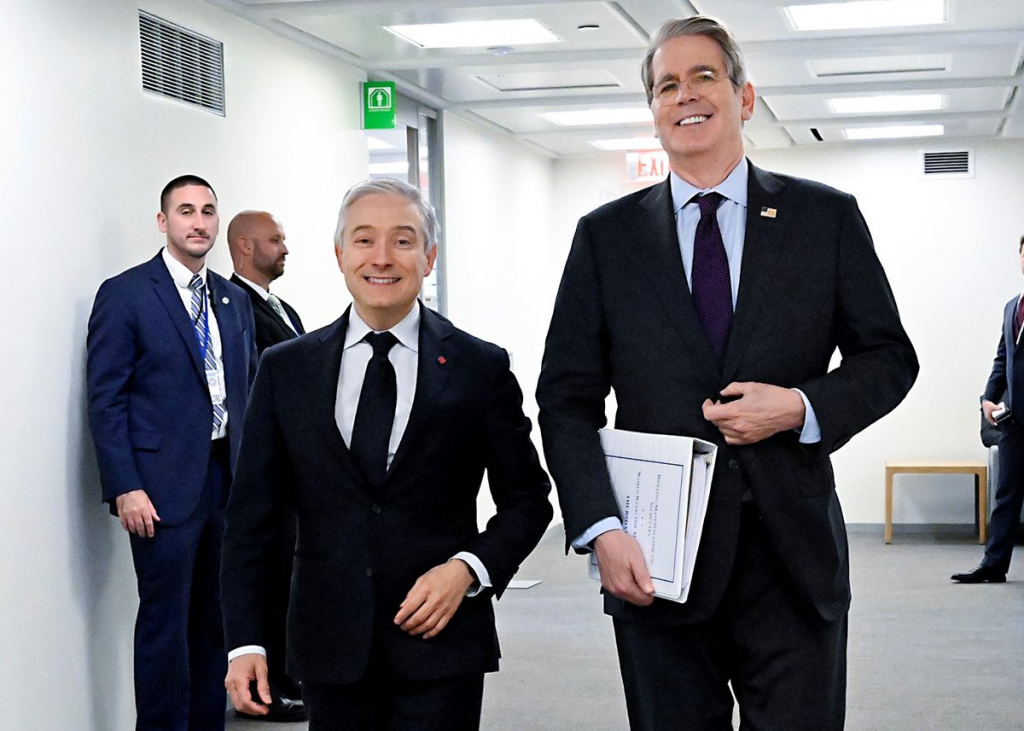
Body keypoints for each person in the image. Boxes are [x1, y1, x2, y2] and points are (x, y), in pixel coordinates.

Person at [536, 16, 918, 731]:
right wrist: (598, 525)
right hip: (657, 563)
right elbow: (565, 397)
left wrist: (800, 406)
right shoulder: (606, 238)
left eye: (704, 76)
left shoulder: (824, 218)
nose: (684, 94)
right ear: (654, 112)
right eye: (666, 85)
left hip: (792, 561)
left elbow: (890, 357)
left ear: (744, 98)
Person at [221, 177, 553, 731]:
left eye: (402, 240)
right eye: (363, 239)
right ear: (339, 254)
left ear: (429, 257)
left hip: (442, 642)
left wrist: (467, 569)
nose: (381, 257)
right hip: (329, 645)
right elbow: (251, 518)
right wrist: (246, 641)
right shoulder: (287, 369)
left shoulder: (479, 368)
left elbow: (528, 500)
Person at [87, 174, 257, 731]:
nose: (198, 222)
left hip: (225, 479)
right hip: (159, 489)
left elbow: (247, 390)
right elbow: (106, 398)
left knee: (214, 620)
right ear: (163, 222)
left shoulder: (233, 299)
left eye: (208, 211)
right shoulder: (128, 293)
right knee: (165, 624)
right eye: (186, 211)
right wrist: (125, 485)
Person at [226, 210, 307, 721]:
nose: (285, 247)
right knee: (268, 573)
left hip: (294, 462)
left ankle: (288, 673)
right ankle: (267, 685)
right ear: (245, 247)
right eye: (275, 239)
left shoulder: (282, 308)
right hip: (264, 461)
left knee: (288, 572)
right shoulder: (235, 309)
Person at [953, 235, 1024, 583]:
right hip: (1014, 420)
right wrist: (987, 398)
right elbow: (1002, 359)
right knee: (1006, 493)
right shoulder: (1012, 307)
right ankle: (994, 565)